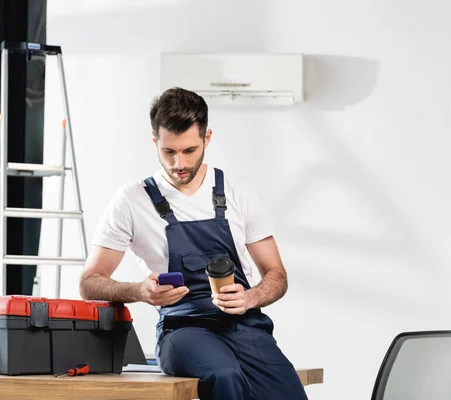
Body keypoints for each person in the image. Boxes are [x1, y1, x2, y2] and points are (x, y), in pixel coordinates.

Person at [79, 87, 308, 400]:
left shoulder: (238, 192)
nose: (179, 163)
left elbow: (276, 273)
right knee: (224, 375)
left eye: (189, 150)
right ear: (154, 141)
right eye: (168, 152)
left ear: (207, 138)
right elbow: (90, 282)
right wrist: (140, 292)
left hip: (244, 326)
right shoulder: (131, 201)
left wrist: (250, 298)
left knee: (289, 394)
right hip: (182, 330)